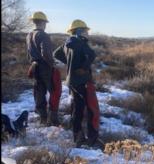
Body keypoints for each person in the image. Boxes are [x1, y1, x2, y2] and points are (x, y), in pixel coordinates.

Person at [53, 19, 103, 149]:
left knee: (77, 109)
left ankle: (78, 138)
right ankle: (92, 139)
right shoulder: (81, 42)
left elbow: (55, 54)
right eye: (86, 30)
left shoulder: (66, 43)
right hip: (83, 82)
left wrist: (70, 63)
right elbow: (92, 55)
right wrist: (84, 67)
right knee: (92, 110)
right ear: (80, 31)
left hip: (71, 82)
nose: (87, 33)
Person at [26, 11, 61, 126]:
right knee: (54, 91)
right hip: (45, 67)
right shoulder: (43, 35)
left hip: (34, 66)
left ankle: (43, 118)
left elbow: (28, 54)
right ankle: (53, 119)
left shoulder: (28, 35)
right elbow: (45, 53)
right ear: (42, 22)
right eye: (45, 22)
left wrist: (33, 63)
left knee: (39, 92)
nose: (45, 24)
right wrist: (52, 64)